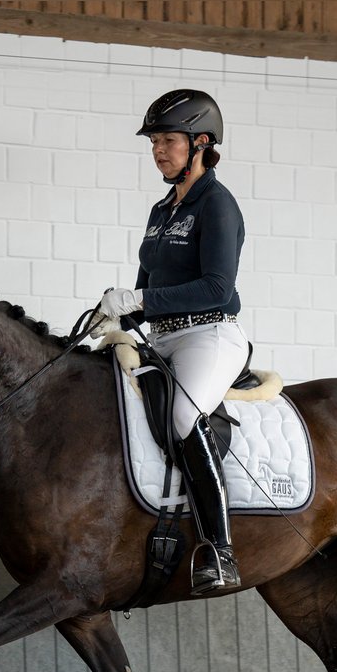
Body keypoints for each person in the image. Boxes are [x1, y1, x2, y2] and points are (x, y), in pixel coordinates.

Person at [94, 89, 248, 595]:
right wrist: (115, 313)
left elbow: (217, 287)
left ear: (201, 143)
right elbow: (148, 291)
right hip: (164, 337)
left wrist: (137, 300)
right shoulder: (162, 210)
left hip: (210, 333)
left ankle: (220, 551)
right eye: (155, 142)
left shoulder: (218, 205)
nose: (159, 150)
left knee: (184, 415)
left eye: (169, 141)